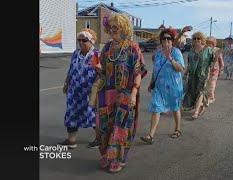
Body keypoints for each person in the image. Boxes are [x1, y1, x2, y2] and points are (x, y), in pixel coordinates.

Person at [97, 13, 147, 173]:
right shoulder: (107, 48)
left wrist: (133, 93)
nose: (112, 31)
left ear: (123, 28)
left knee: (121, 127)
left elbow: (138, 72)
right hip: (107, 93)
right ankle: (108, 154)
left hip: (125, 94)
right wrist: (98, 70)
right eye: (110, 28)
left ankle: (119, 158)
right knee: (105, 126)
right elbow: (103, 71)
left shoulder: (132, 47)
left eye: (115, 28)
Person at [140, 28, 185, 144]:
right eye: (164, 38)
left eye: (168, 38)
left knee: (175, 108)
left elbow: (181, 69)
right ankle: (150, 135)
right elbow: (156, 70)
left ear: (172, 40)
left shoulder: (176, 52)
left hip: (173, 86)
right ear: (161, 40)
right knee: (156, 107)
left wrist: (170, 59)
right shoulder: (158, 54)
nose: (166, 40)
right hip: (159, 87)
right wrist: (151, 82)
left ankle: (177, 129)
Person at [58, 28, 101, 149]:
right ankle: (71, 140)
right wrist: (66, 83)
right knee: (71, 113)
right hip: (74, 90)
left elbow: (101, 73)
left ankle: (98, 139)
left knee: (91, 114)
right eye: (79, 40)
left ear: (91, 41)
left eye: (84, 40)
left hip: (88, 91)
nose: (81, 42)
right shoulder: (76, 53)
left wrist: (99, 70)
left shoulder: (95, 54)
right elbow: (71, 69)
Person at [183, 31, 214, 119]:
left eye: (198, 38)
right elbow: (189, 64)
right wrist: (185, 73)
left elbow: (213, 61)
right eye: (194, 38)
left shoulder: (208, 50)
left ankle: (196, 112)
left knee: (201, 92)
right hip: (192, 76)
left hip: (203, 76)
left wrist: (213, 73)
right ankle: (201, 106)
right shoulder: (191, 51)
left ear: (202, 40)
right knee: (193, 93)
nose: (196, 40)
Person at [206, 37, 224, 104]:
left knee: (212, 84)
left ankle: (211, 98)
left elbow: (221, 60)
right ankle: (208, 96)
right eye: (207, 43)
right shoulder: (206, 50)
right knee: (207, 83)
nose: (209, 44)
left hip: (215, 69)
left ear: (213, 43)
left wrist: (221, 69)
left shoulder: (217, 50)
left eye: (210, 43)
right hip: (207, 69)